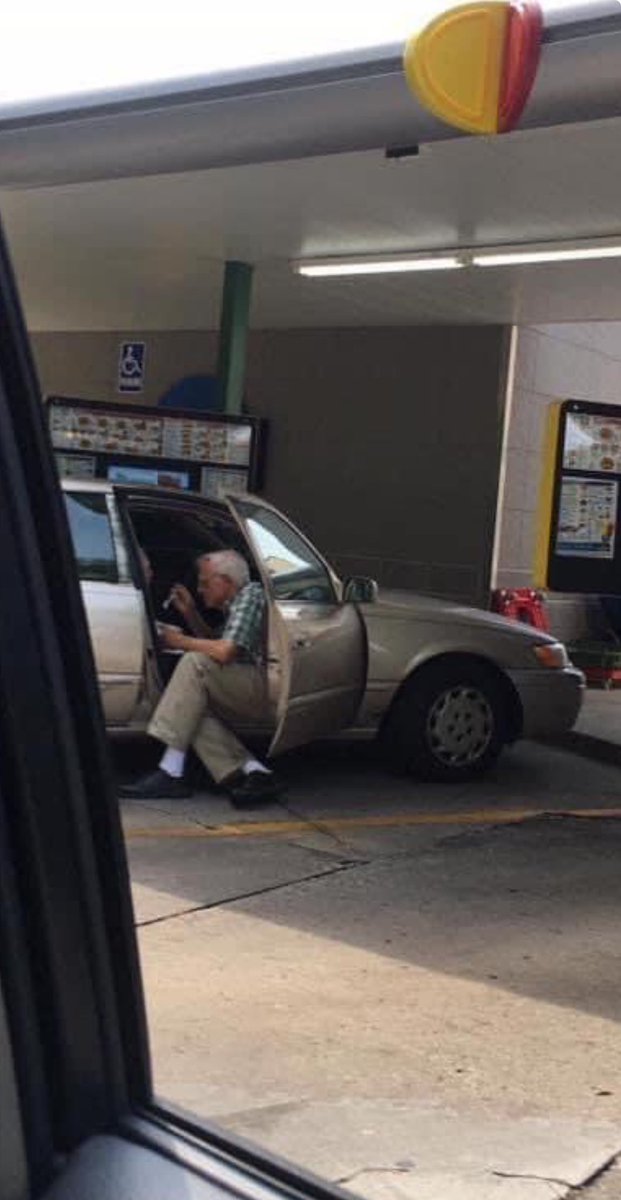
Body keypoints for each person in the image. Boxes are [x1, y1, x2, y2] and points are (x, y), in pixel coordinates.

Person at [119, 549, 280, 807]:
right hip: (242, 683)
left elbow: (225, 652)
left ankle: (170, 770)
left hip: (261, 686)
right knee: (190, 707)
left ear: (225, 581)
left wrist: (179, 641)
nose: (199, 588)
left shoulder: (251, 596)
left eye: (204, 583)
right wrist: (190, 612)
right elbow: (217, 642)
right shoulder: (235, 603)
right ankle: (254, 770)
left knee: (194, 663)